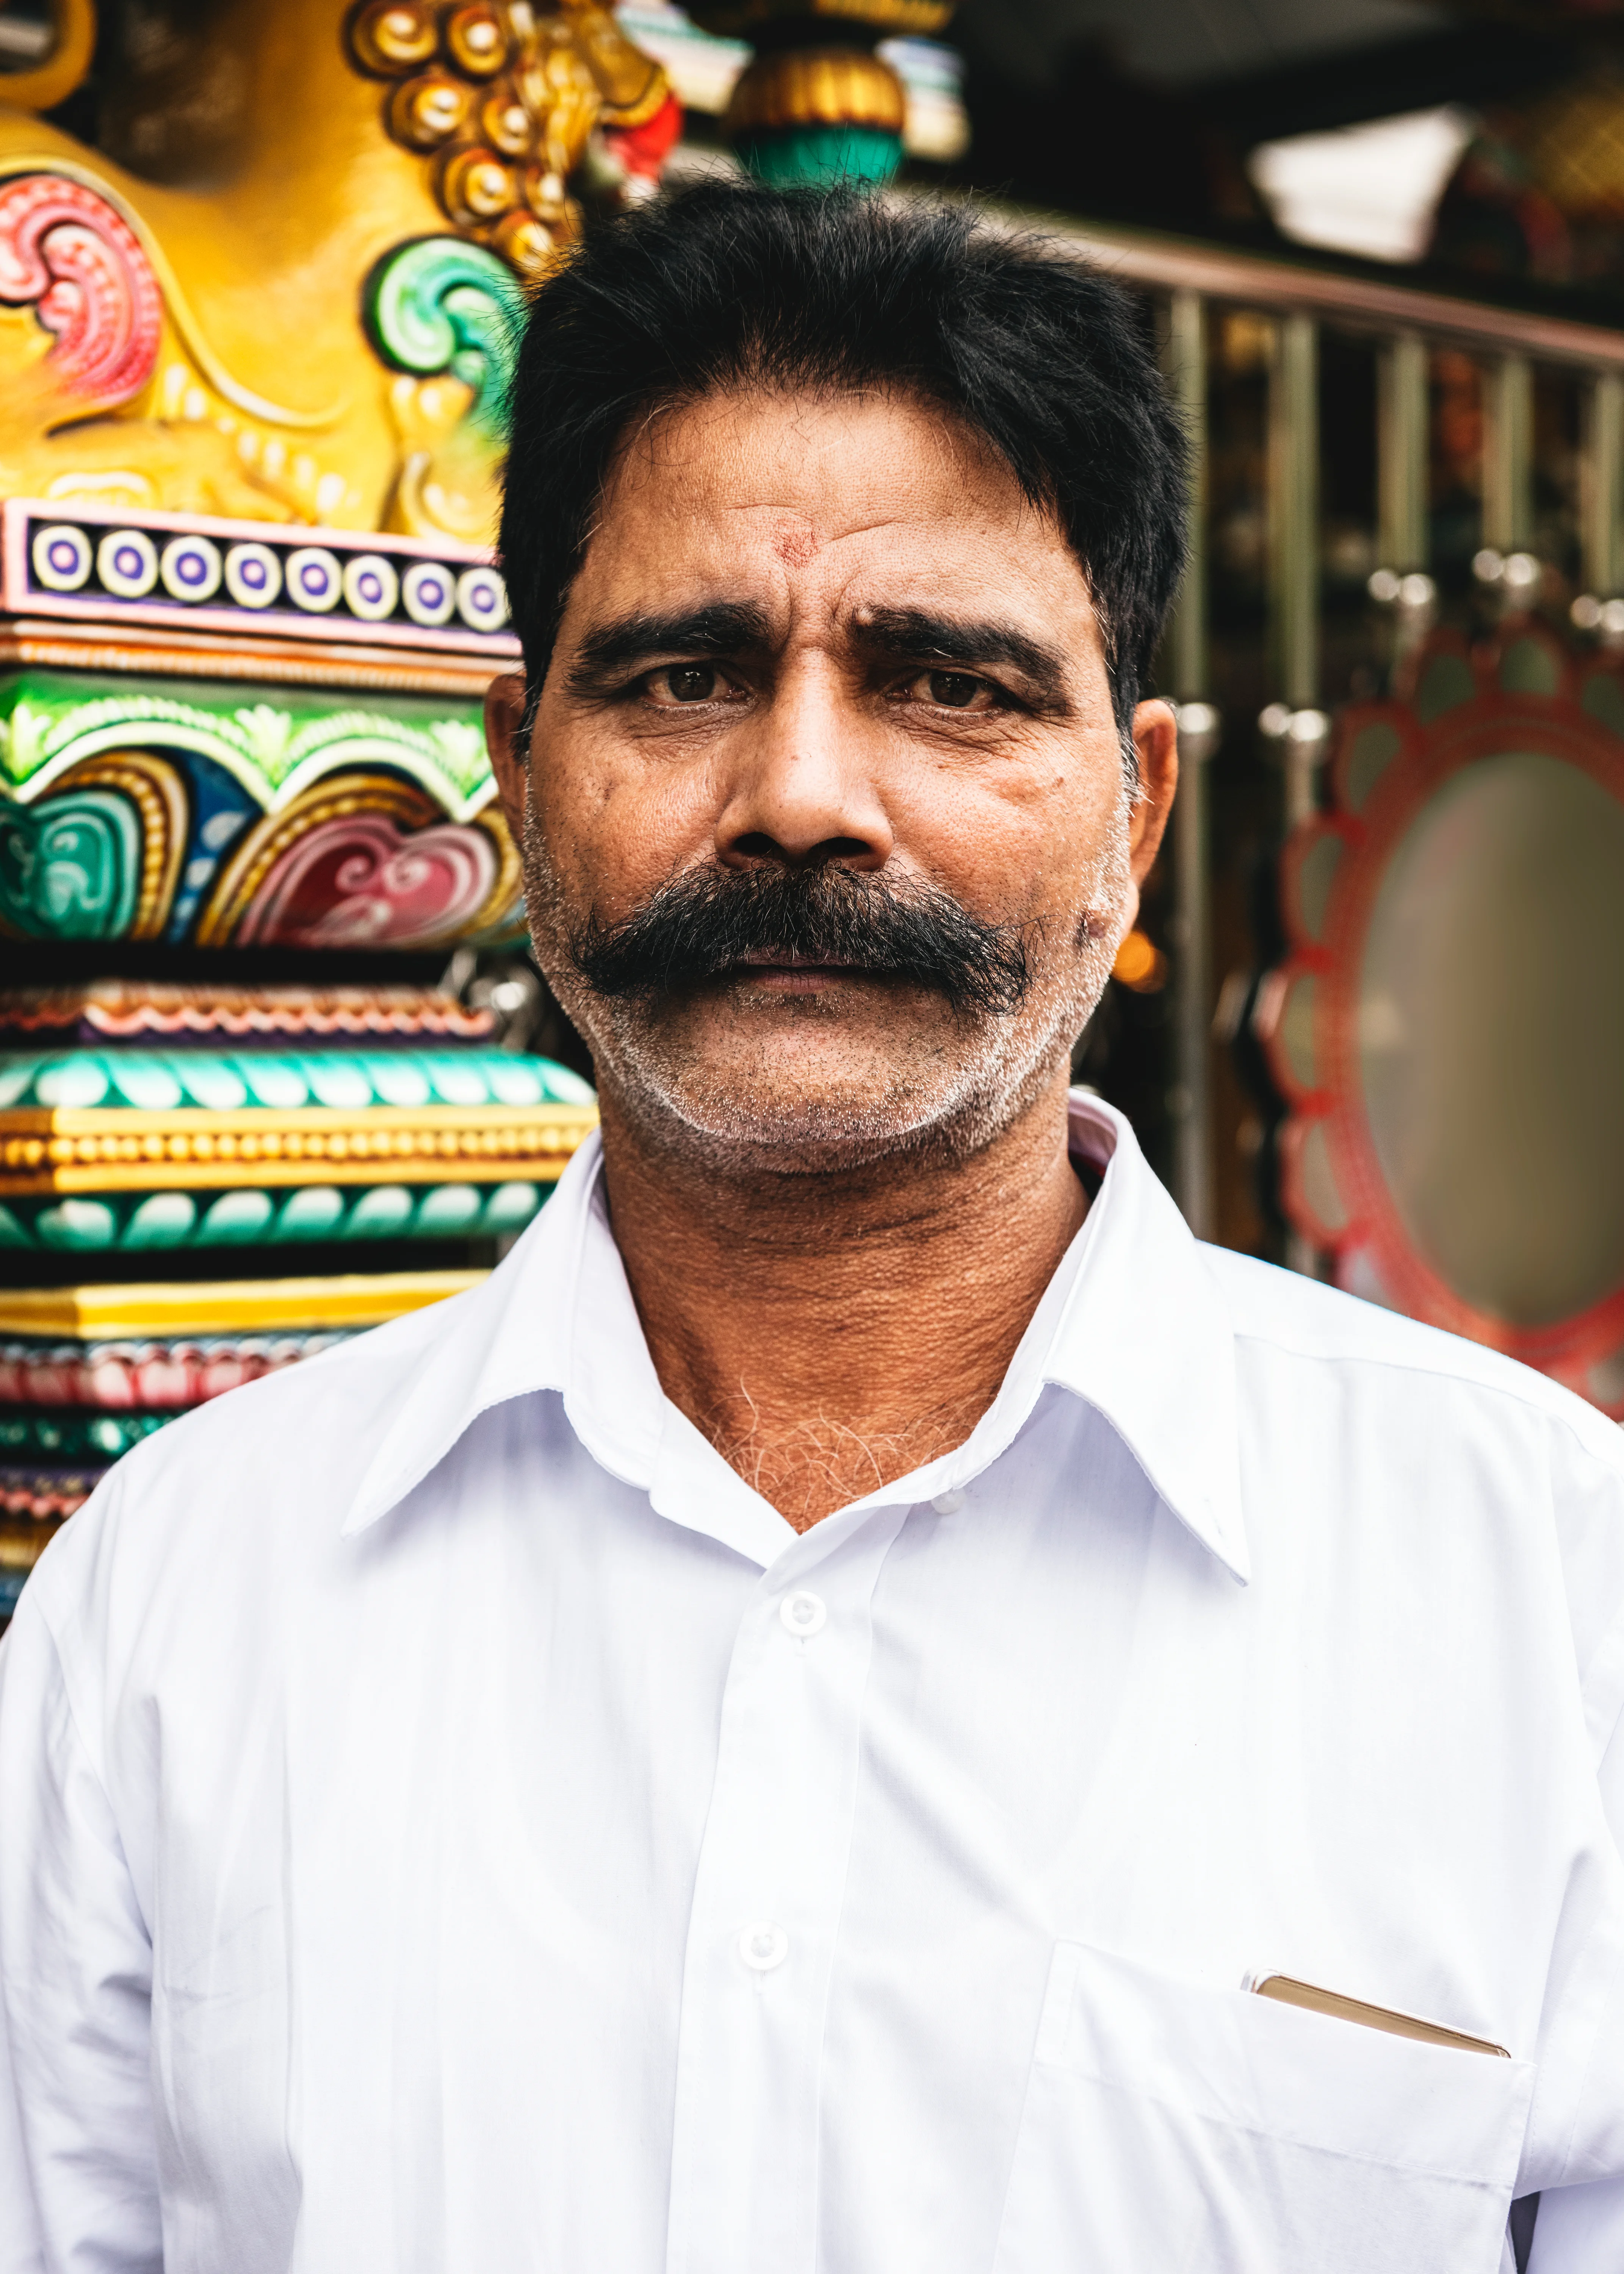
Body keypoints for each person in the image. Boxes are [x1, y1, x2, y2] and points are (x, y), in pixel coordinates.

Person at [2, 184, 1622, 2274]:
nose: (799, 794)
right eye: (681, 678)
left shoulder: (1542, 1582)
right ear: (518, 774)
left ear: (1133, 813)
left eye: (946, 684)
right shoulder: (183, 1599)